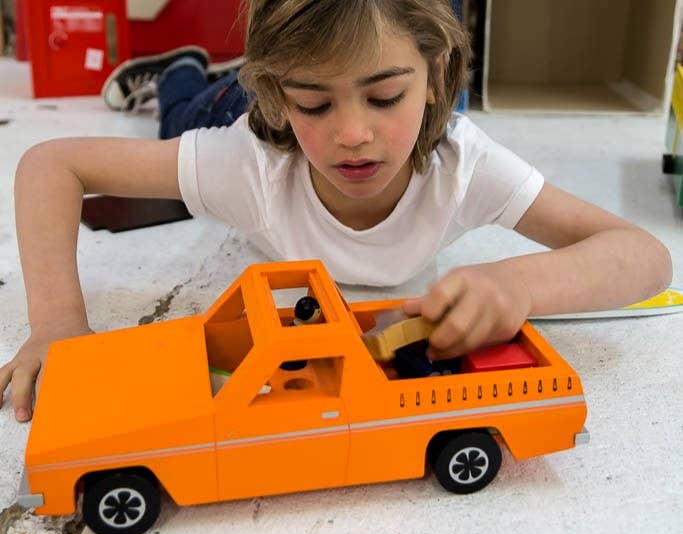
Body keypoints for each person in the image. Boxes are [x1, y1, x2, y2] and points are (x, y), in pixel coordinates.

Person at [0, 0, 673, 423]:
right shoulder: (245, 164)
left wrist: (516, 283)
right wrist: (59, 319)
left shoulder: (463, 165)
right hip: (231, 111)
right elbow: (49, 165)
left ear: (436, 73)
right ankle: (183, 68)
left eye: (383, 96)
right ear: (281, 95)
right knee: (177, 110)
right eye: (317, 103)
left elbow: (646, 255)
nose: (353, 133)